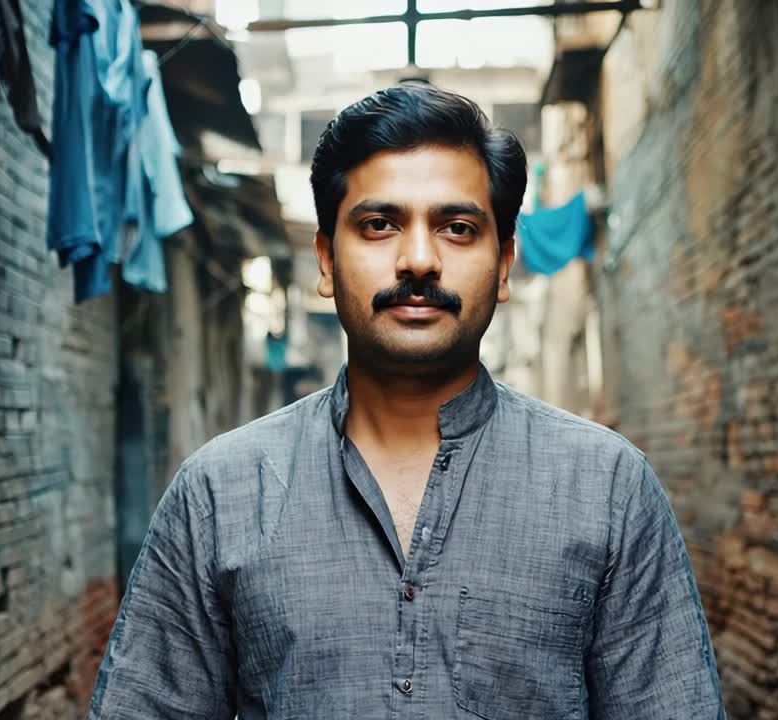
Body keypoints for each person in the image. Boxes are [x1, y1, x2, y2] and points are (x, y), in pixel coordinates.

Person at [87, 82, 725, 719]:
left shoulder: (608, 488)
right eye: (379, 224)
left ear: (503, 265)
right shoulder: (218, 493)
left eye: (456, 227)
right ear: (327, 260)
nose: (418, 260)